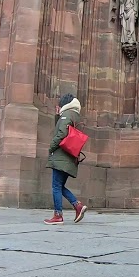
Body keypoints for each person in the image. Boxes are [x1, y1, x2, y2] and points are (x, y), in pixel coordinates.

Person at [46, 94, 88, 225]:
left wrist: (51, 147)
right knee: (59, 186)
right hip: (70, 157)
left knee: (56, 186)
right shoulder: (75, 115)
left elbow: (62, 133)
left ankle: (58, 215)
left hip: (61, 156)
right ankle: (77, 206)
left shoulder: (67, 115)